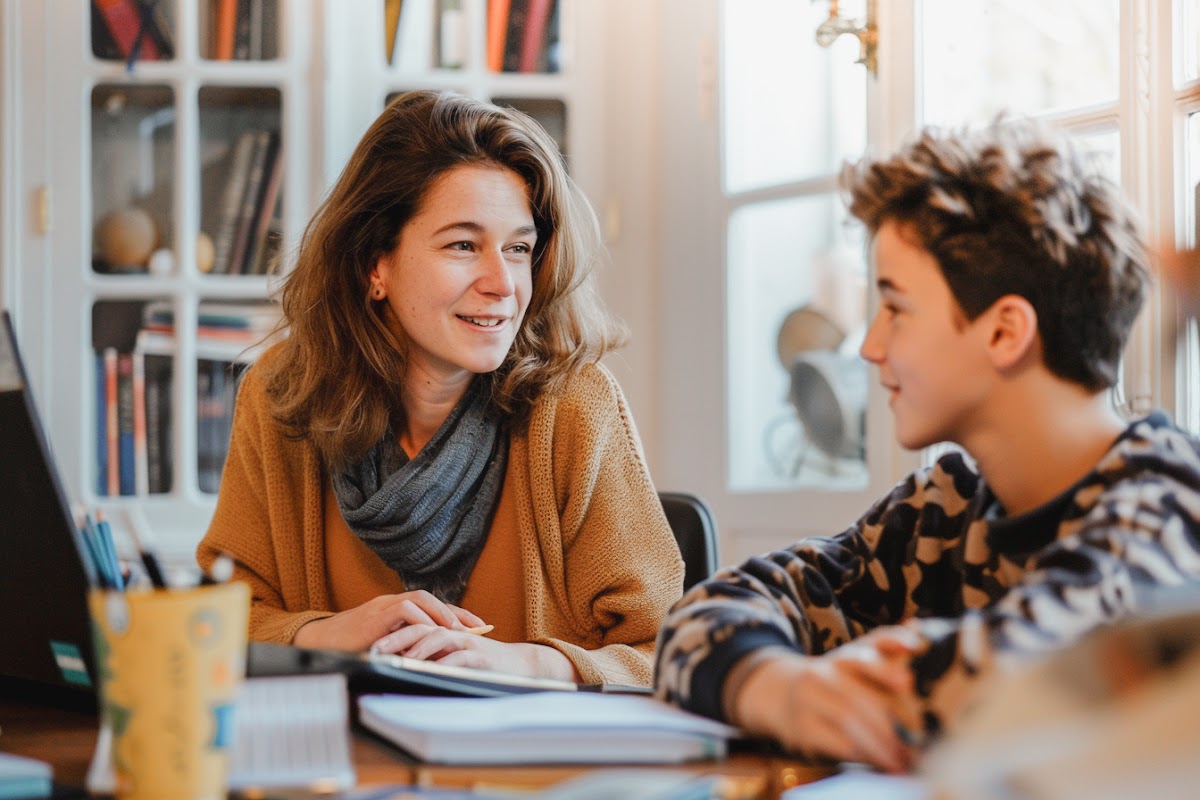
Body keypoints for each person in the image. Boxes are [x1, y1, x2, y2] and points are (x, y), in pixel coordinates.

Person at [654, 118, 1200, 771]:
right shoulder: (944, 506)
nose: (868, 345)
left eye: (895, 307)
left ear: (1004, 333)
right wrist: (778, 686)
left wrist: (855, 671)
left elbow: (1024, 686)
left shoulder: (1165, 505)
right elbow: (703, 615)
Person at [198, 90, 683, 685]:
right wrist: (329, 633)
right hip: (348, 764)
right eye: (462, 245)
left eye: (518, 248)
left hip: (532, 771)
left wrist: (525, 662)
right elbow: (217, 618)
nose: (502, 283)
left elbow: (672, 651)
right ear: (376, 264)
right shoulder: (281, 397)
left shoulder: (575, 406)